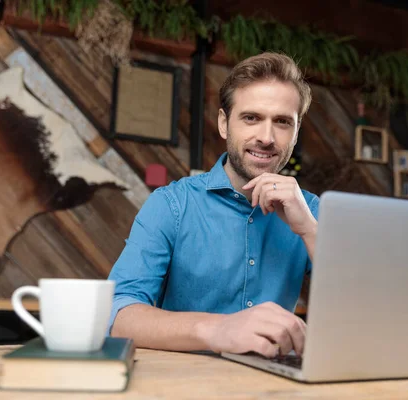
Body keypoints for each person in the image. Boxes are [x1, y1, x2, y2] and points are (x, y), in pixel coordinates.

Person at [107, 52, 319, 359]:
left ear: (296, 133)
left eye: (283, 122)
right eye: (251, 118)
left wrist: (309, 230)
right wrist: (218, 329)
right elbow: (117, 314)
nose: (266, 137)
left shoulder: (312, 211)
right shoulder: (171, 205)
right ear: (224, 123)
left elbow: (363, 308)